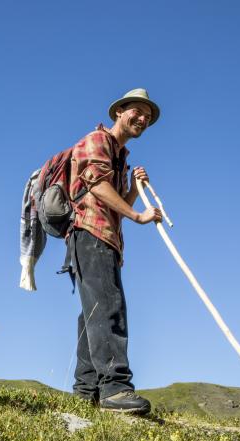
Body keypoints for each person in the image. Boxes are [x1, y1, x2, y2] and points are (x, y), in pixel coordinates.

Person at [68, 88, 162, 414]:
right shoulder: (98, 140)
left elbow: (114, 201)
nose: (142, 119)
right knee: (109, 307)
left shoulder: (119, 155)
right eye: (137, 112)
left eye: (147, 118)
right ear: (119, 111)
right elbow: (95, 184)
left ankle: (88, 392)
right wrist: (137, 216)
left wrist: (133, 192)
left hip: (101, 236)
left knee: (93, 312)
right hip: (91, 233)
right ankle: (116, 390)